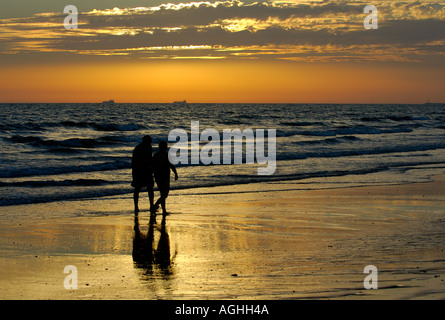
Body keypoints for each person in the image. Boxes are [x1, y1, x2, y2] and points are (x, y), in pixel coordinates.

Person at [152, 140, 178, 215]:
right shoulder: (166, 155)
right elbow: (171, 165)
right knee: (164, 194)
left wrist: (153, 174)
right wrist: (175, 173)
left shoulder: (156, 155)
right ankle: (157, 206)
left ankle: (162, 209)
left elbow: (152, 166)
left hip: (158, 176)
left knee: (163, 194)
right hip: (164, 176)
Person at [131, 135, 154, 213]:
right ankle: (149, 205)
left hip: (140, 171)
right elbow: (149, 160)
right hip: (142, 171)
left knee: (138, 189)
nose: (150, 143)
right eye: (150, 142)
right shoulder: (144, 148)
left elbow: (133, 162)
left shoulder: (139, 148)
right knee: (148, 189)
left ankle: (137, 206)